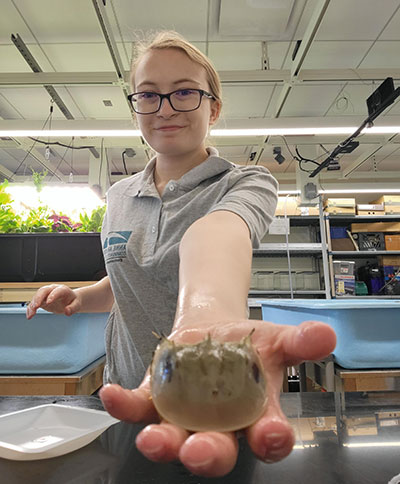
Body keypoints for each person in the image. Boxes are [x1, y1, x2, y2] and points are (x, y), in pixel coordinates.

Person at [26, 31, 336, 478]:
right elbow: (126, 280)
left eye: (185, 92)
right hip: (128, 392)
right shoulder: (117, 197)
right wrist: (80, 297)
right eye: (149, 95)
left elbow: (217, 233)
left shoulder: (245, 182)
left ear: (213, 107)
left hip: (216, 395)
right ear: (135, 106)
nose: (166, 108)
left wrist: (206, 313)